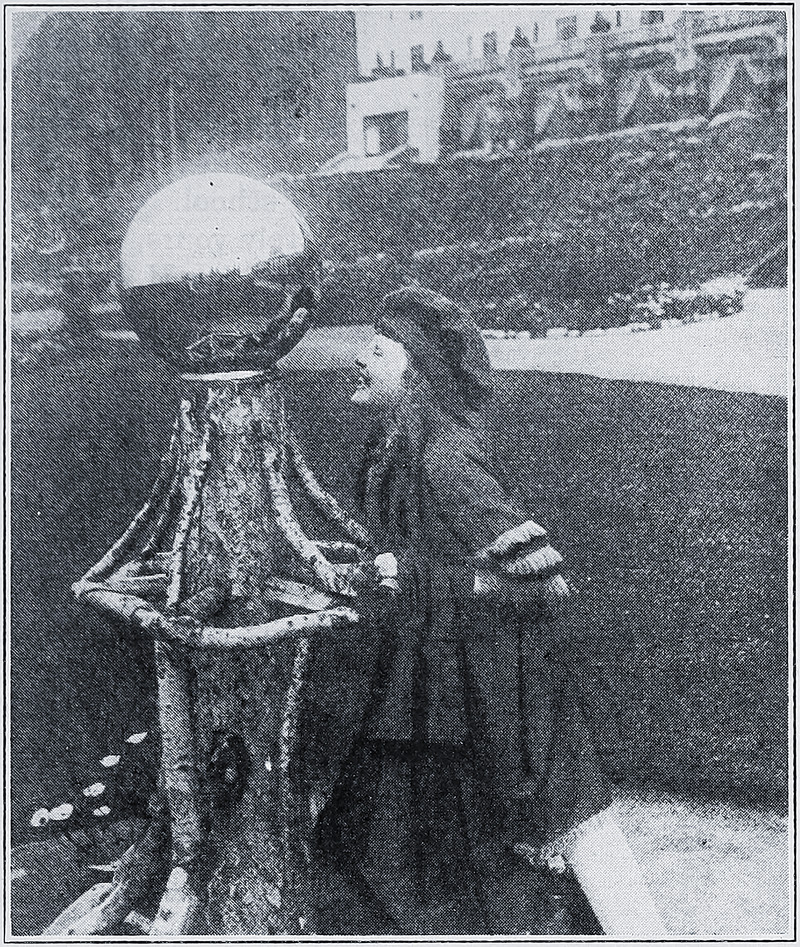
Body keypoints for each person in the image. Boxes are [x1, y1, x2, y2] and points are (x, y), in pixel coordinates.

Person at [302, 286, 667, 936]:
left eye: (378, 350)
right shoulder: (394, 450)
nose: (359, 358)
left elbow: (541, 582)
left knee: (565, 827)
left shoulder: (444, 458)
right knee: (402, 840)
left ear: (415, 370)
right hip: (435, 686)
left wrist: (415, 578)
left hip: (497, 688)